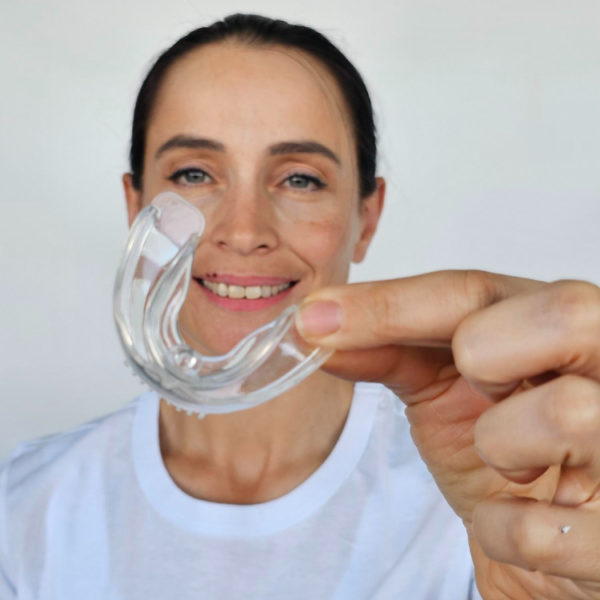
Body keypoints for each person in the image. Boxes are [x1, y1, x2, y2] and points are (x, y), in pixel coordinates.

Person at [1, 13, 599, 600]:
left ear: (366, 218)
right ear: (136, 209)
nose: (243, 231)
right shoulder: (25, 509)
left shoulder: (491, 499)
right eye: (193, 174)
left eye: (300, 180)